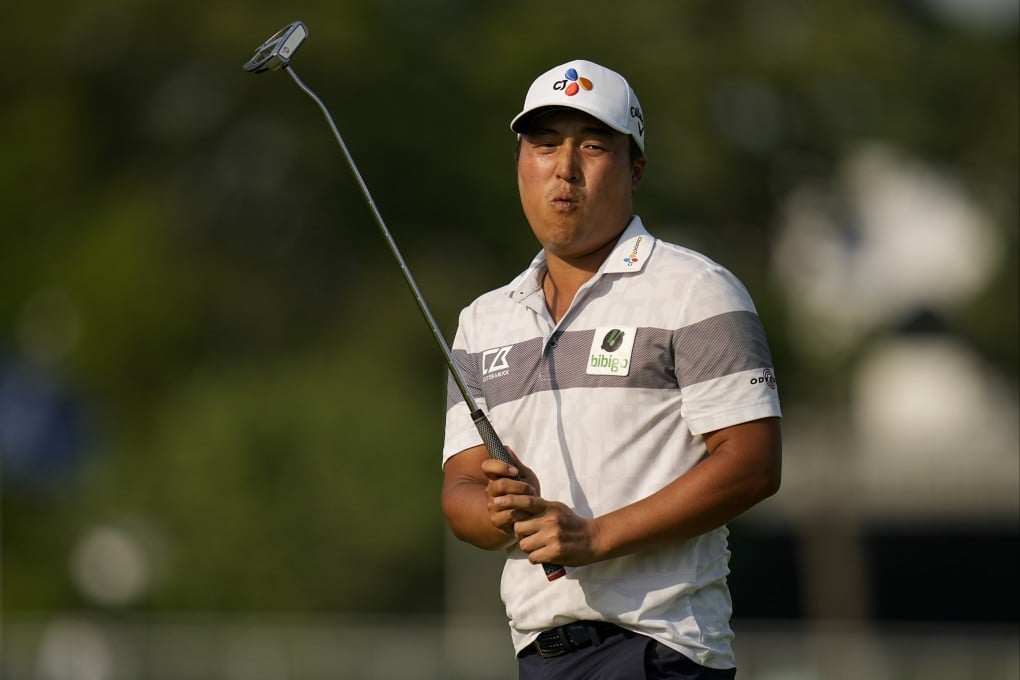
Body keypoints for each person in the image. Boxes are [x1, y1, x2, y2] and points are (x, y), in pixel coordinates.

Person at [440, 59, 782, 679]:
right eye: (544, 145)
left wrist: (595, 538)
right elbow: (460, 489)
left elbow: (753, 463)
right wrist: (496, 511)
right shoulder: (482, 321)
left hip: (659, 651)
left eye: (593, 146)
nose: (565, 168)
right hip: (539, 656)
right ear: (520, 163)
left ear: (636, 169)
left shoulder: (696, 288)